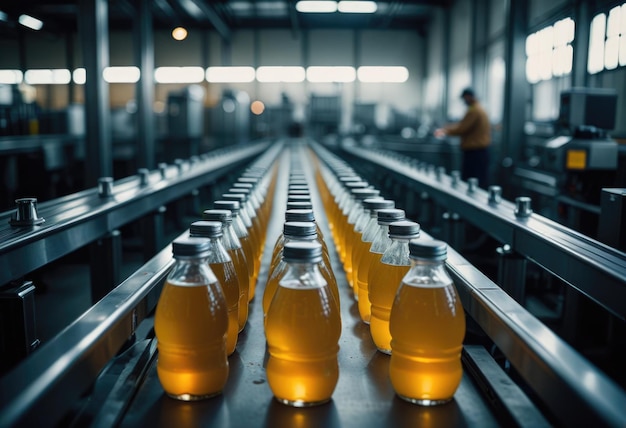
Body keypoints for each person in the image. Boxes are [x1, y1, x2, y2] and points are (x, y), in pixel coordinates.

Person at [434, 88, 491, 188]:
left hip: (475, 153)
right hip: (478, 152)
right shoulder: (478, 109)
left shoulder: (474, 111)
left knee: (472, 181)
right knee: (478, 180)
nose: (464, 101)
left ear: (468, 97)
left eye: (464, 99)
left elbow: (462, 128)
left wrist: (445, 130)